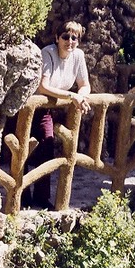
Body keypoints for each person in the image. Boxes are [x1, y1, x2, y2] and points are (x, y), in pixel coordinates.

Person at [25, 21, 91, 209]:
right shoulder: (47, 53)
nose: (69, 41)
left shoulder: (78, 56)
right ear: (57, 38)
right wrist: (72, 96)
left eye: (74, 38)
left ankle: (40, 197)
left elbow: (85, 85)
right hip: (31, 107)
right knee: (24, 148)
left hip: (47, 109)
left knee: (46, 144)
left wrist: (81, 97)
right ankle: (21, 196)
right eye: (65, 37)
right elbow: (43, 86)